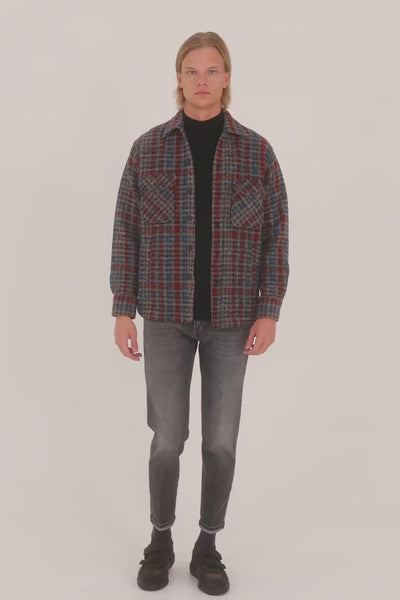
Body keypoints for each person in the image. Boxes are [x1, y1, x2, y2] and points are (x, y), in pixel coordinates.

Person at [109, 31, 289, 595]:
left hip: (233, 320)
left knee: (220, 441)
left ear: (227, 77)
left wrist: (269, 310)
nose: (202, 80)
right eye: (192, 70)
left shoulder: (257, 152)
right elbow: (126, 231)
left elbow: (276, 236)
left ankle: (208, 544)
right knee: (167, 438)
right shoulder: (147, 150)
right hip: (165, 317)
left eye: (212, 70)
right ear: (179, 77)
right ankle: (160, 538)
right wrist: (122, 309)